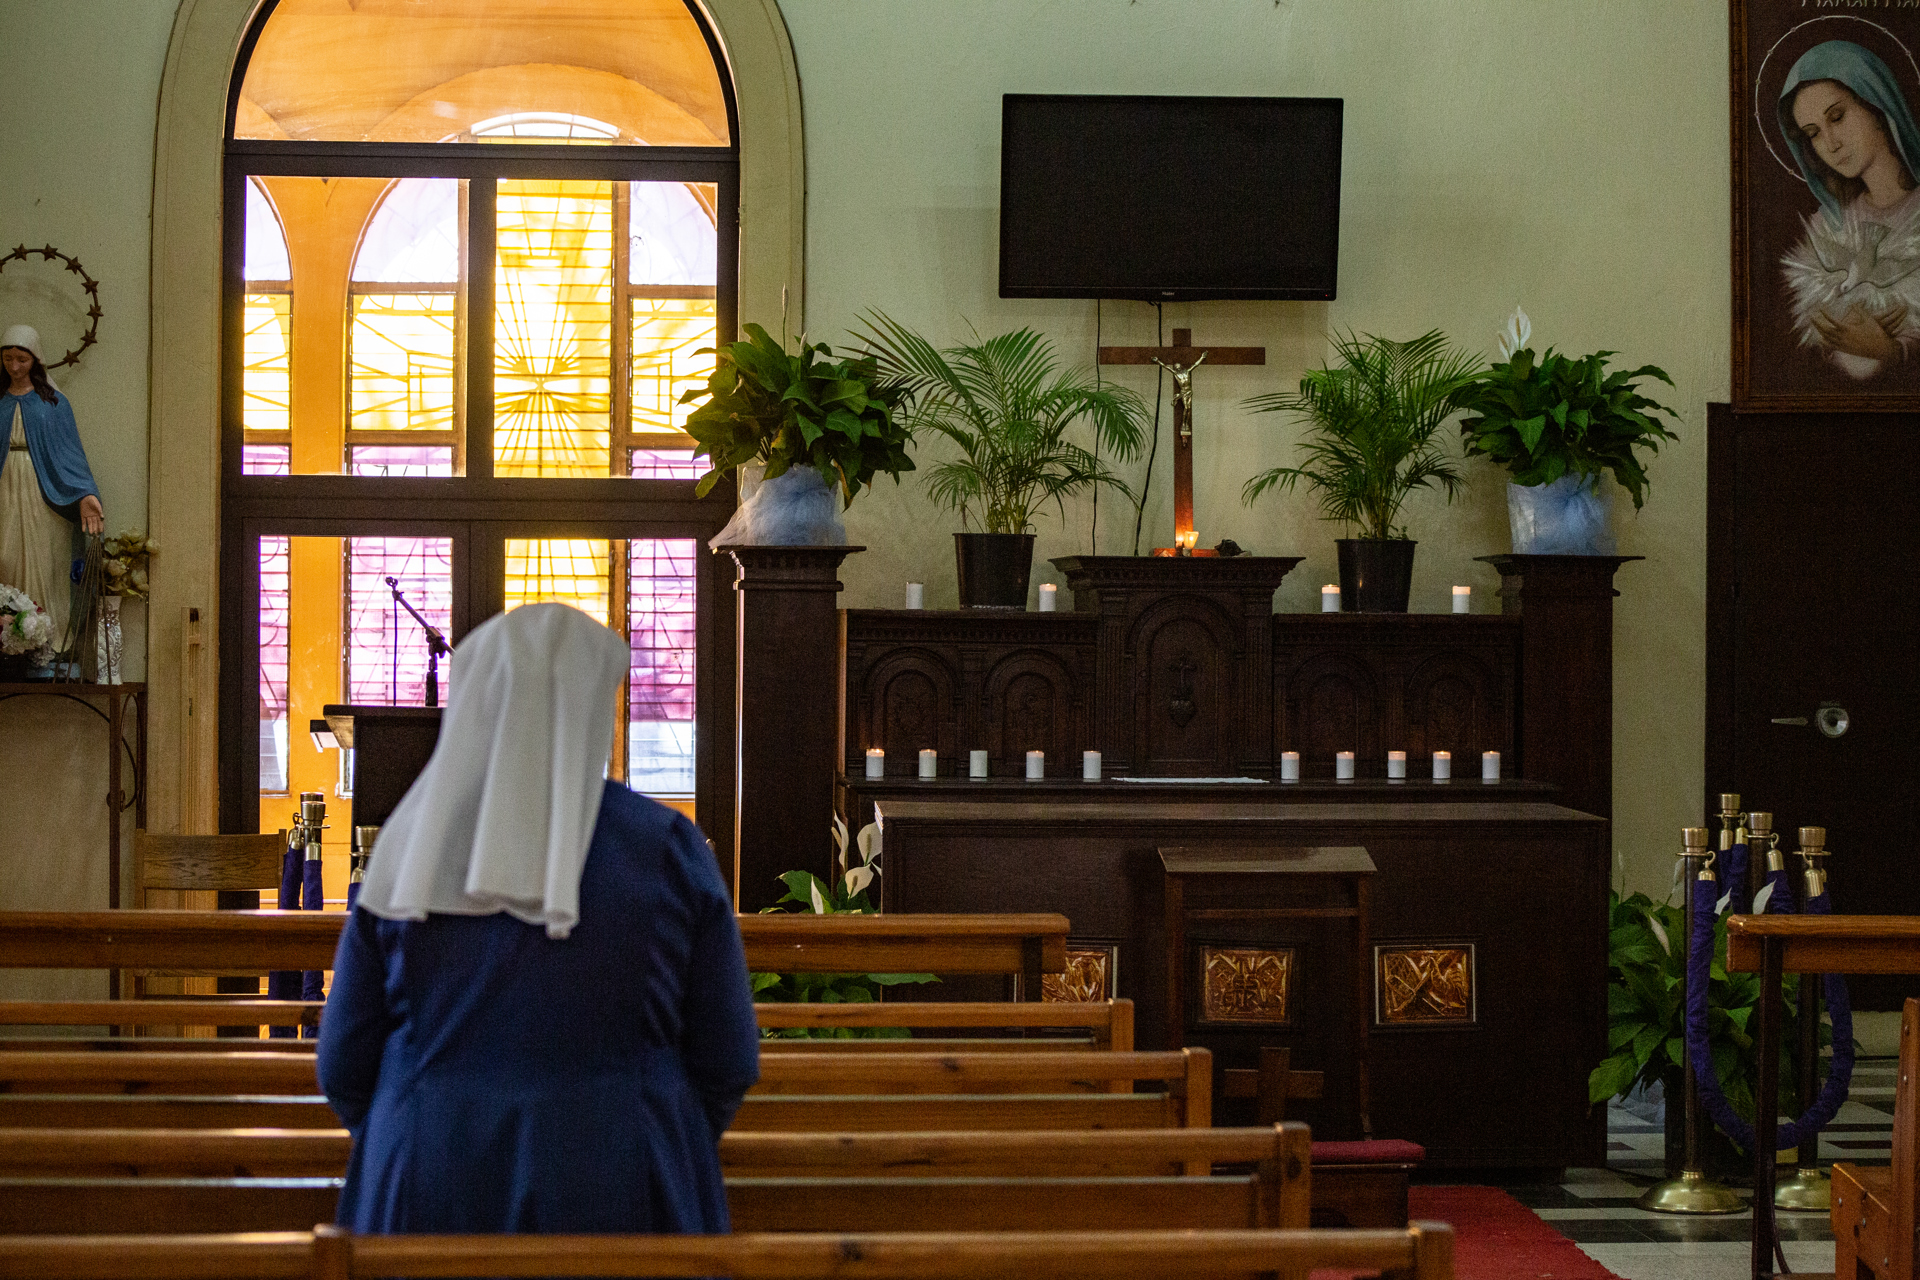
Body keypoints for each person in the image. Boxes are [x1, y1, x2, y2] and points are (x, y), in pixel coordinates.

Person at [317, 602, 760, 1233]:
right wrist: (644, 1124)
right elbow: (727, 1059)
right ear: (592, 710)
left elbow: (342, 1064)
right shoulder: (665, 848)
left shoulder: (411, 849)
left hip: (427, 1182)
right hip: (627, 1189)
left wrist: (424, 1117)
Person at [1779, 41, 1920, 380]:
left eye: (1837, 117)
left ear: (1875, 104)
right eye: (1813, 133)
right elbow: (1815, 345)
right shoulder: (1826, 227)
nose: (1831, 143)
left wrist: (1893, 351)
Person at [0, 325, 101, 642]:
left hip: (45, 492)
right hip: (5, 487)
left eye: (21, 359)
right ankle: (10, 638)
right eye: (8, 359)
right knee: (7, 557)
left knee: (47, 560)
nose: (14, 367)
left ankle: (47, 640)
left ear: (36, 360)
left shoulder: (54, 404)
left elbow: (71, 454)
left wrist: (85, 493)